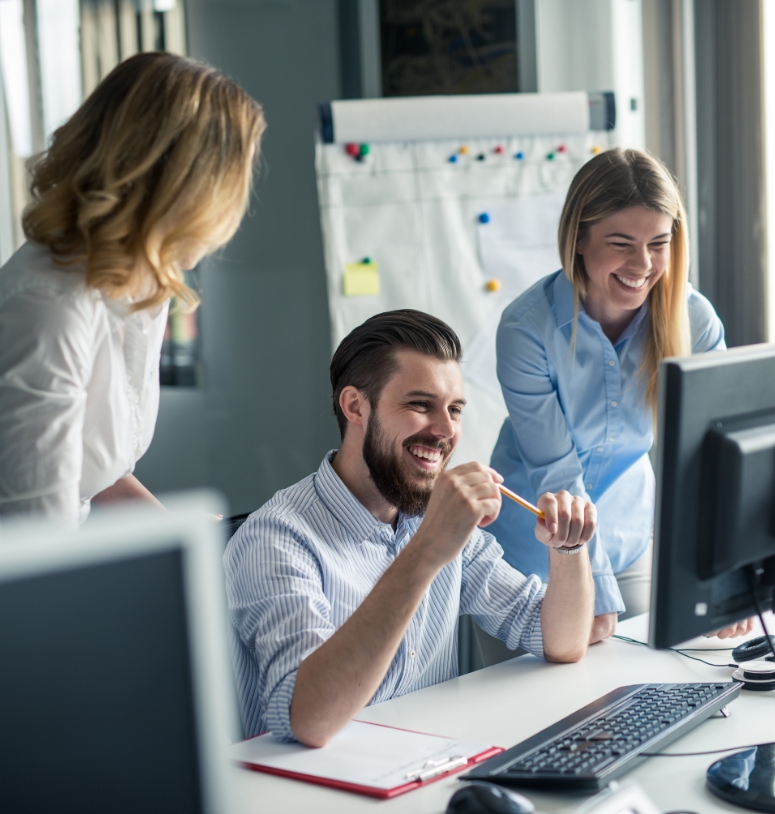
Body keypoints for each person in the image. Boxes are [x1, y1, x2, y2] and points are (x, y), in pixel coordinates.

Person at [225, 310, 597, 746]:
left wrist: (569, 548)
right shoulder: (275, 540)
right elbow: (308, 719)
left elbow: (561, 641)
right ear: (355, 406)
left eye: (454, 409)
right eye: (421, 405)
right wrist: (427, 551)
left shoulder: (434, 514)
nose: (445, 430)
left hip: (428, 765)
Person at [487, 148, 752, 641]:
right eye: (621, 242)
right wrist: (594, 592)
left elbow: (716, 460)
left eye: (659, 243)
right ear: (579, 238)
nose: (643, 264)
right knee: (537, 709)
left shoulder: (693, 321)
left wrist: (726, 571)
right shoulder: (527, 329)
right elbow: (557, 475)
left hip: (631, 540)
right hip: (528, 552)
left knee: (652, 692)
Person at [0, 52, 265, 524]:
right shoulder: (50, 309)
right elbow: (40, 543)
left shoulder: (142, 282)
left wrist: (204, 543)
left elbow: (93, 469)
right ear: (186, 188)